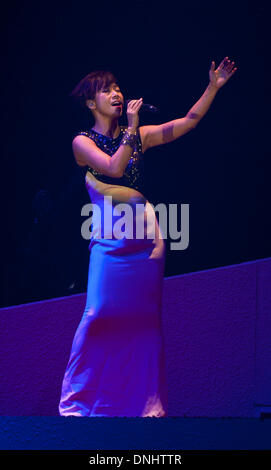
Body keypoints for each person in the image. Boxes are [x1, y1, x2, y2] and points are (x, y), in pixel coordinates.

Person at [59, 58, 237, 417]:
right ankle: (79, 405)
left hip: (146, 238)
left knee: (145, 322)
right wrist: (132, 127)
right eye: (106, 90)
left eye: (117, 87)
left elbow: (188, 122)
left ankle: (146, 406)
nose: (116, 93)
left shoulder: (138, 135)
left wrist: (213, 87)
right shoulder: (82, 142)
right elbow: (113, 168)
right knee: (98, 315)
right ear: (91, 103)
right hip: (110, 238)